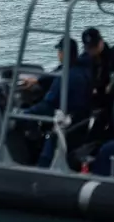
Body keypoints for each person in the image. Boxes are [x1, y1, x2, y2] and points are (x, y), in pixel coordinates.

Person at [23, 37, 92, 167]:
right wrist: (37, 81)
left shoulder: (65, 76)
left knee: (26, 116)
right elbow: (53, 75)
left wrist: (26, 113)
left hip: (65, 121)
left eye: (60, 51)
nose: (58, 54)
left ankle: (36, 161)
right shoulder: (82, 69)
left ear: (63, 53)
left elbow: (49, 104)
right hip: (80, 121)